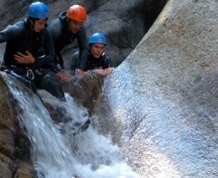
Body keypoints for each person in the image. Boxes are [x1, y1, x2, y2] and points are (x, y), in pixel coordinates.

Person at [0, 1, 66, 101]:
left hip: (31, 68)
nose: (43, 26)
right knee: (31, 90)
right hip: (12, 69)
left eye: (45, 22)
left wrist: (34, 61)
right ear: (31, 21)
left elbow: (51, 55)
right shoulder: (17, 29)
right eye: (40, 23)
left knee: (53, 83)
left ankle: (66, 111)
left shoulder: (44, 31)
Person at [48, 4, 88, 77]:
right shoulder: (55, 29)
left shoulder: (79, 28)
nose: (77, 27)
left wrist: (81, 67)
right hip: (43, 53)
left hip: (54, 52)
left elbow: (84, 47)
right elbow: (44, 50)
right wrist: (56, 70)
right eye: (75, 23)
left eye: (80, 24)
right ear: (68, 19)